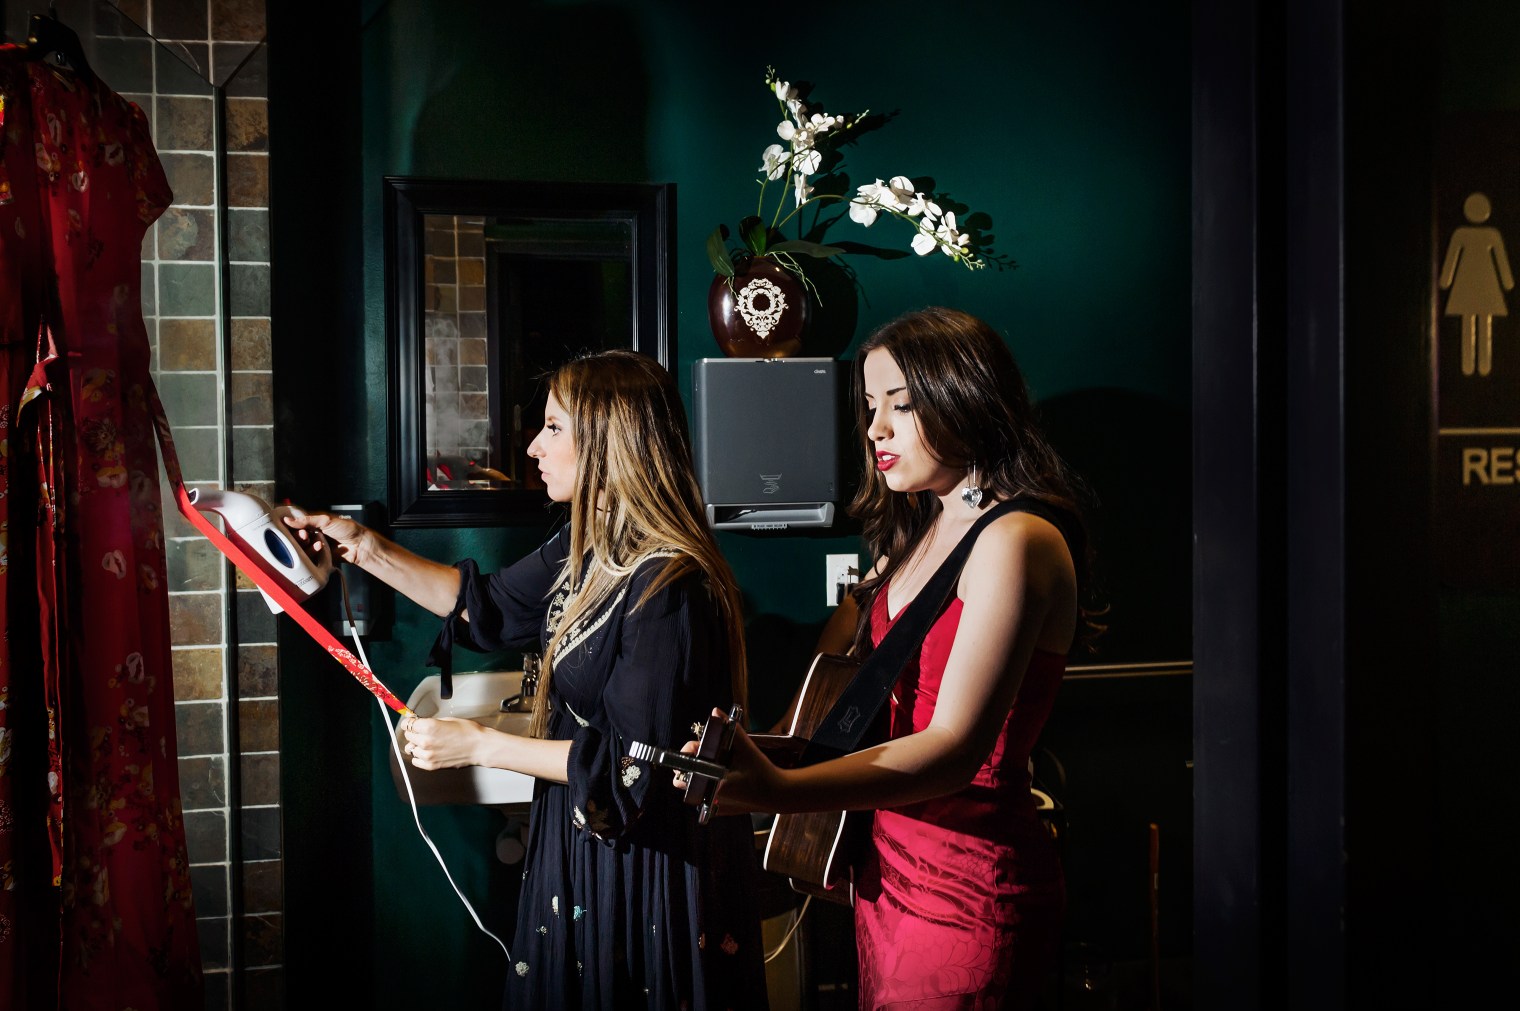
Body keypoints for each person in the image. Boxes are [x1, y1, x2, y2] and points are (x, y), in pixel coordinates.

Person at [286, 349, 769, 1010]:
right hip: (587, 847)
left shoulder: (668, 586)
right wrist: (361, 545)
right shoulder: (591, 548)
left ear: (608, 442)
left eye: (553, 428)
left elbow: (635, 764)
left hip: (644, 873)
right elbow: (482, 607)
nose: (534, 445)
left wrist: (480, 744)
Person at [689, 306, 1097, 1009]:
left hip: (968, 885)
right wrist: (757, 752)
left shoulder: (1016, 539)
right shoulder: (916, 531)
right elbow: (847, 690)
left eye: (901, 406)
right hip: (888, 868)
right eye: (871, 405)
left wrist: (781, 791)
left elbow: (953, 749)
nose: (875, 427)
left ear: (964, 397)